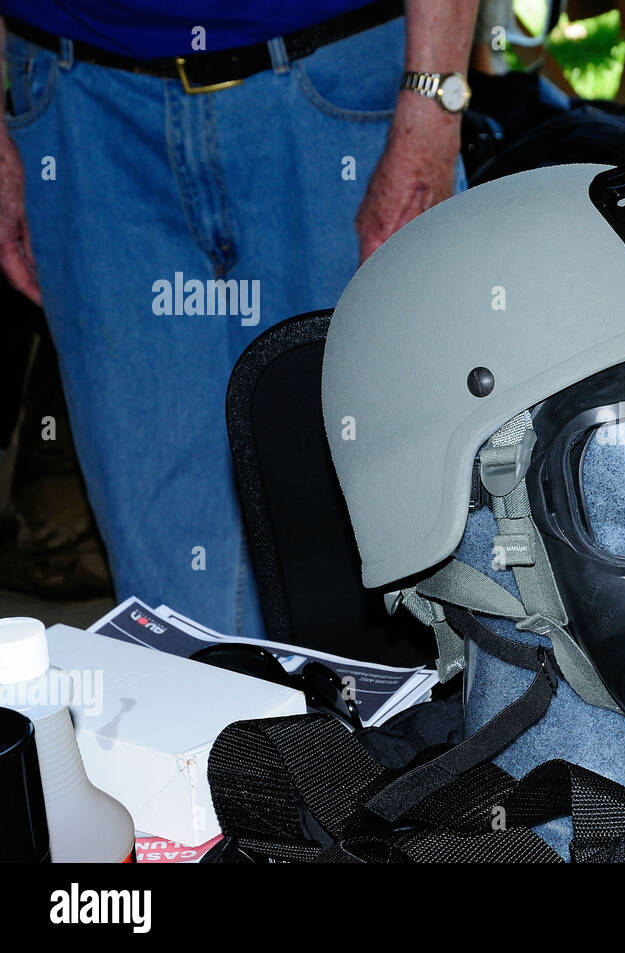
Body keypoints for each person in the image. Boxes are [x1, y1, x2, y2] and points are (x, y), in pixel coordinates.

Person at [0, 0, 477, 637]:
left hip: (340, 83)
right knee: (176, 604)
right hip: (80, 102)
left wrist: (434, 98)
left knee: (415, 549)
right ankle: (229, 739)